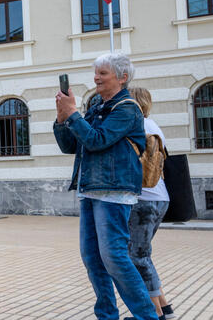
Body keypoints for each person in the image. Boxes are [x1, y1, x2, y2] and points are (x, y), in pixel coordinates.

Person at [54, 53, 159, 320]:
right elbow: (72, 146)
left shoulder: (127, 108)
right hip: (90, 188)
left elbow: (97, 140)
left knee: (114, 258)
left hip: (114, 191)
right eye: (96, 72)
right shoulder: (97, 107)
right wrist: (62, 118)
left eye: (103, 73)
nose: (96, 78)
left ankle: (147, 316)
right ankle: (106, 314)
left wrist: (74, 114)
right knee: (92, 257)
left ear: (122, 78)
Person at [127, 87, 175, 320]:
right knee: (142, 254)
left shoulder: (138, 127)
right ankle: (165, 308)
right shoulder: (154, 125)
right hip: (160, 198)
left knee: (137, 256)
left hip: (143, 200)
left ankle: (155, 314)